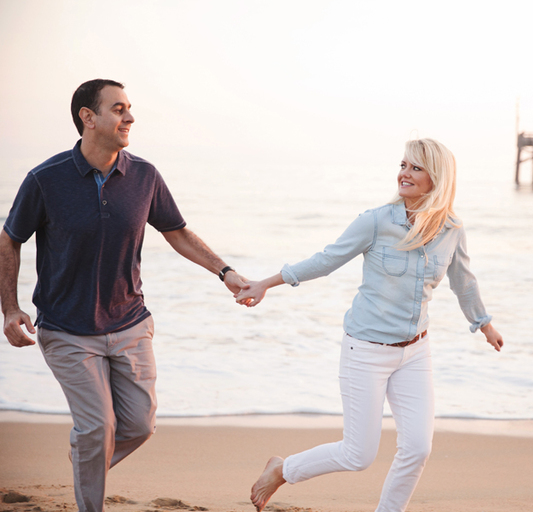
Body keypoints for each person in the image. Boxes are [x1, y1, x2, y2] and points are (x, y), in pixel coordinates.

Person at [0, 79, 249, 512]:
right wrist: (10, 308)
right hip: (66, 327)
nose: (129, 117)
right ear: (88, 118)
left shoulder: (145, 176)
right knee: (98, 427)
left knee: (138, 425)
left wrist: (224, 271)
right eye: (118, 109)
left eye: (130, 108)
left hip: (130, 323)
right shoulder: (45, 179)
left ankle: (87, 461)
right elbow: (8, 241)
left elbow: (177, 232)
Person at [236, 138, 503, 512]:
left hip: (415, 351)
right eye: (403, 165)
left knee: (418, 448)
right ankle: (284, 468)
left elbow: (464, 281)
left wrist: (483, 323)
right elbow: (327, 260)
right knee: (357, 454)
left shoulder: (452, 229)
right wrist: (267, 282)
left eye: (415, 168)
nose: (404, 174)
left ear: (436, 178)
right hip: (365, 350)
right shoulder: (375, 221)